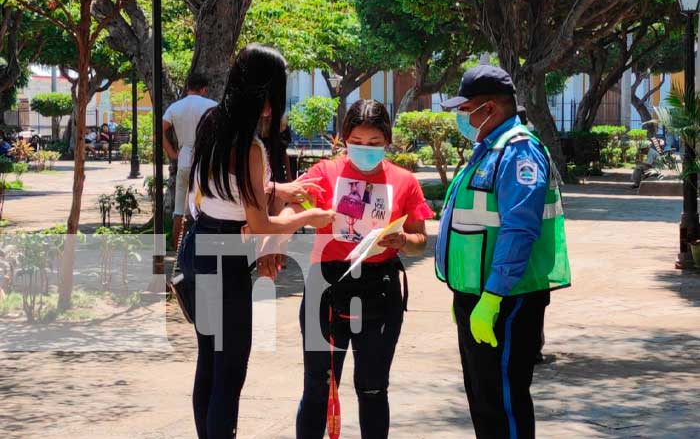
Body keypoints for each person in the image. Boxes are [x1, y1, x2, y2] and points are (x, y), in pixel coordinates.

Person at [178, 44, 336, 439]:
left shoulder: (213, 122)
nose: (275, 106)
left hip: (200, 248)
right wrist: (307, 217)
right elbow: (260, 224)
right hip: (225, 260)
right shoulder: (248, 147)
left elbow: (225, 192)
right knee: (230, 372)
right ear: (262, 96)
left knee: (210, 364)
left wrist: (281, 189)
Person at [436, 65, 571, 439]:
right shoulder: (489, 149)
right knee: (484, 400)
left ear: (490, 108)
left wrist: (492, 296)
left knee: (505, 403)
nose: (462, 118)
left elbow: (519, 229)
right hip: (477, 296)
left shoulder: (519, 151)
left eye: (466, 110)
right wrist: (464, 287)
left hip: (508, 299)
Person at [293, 99, 434, 439]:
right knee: (318, 386)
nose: (365, 150)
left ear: (388, 141)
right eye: (356, 142)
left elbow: (421, 240)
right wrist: (300, 219)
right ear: (343, 138)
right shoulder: (325, 173)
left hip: (378, 290)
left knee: (372, 388)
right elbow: (289, 204)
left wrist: (402, 240)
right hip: (326, 286)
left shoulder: (404, 180)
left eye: (374, 144)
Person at [163, 73, 218, 249]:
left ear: (187, 87)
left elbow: (160, 130)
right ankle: (200, 251)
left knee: (179, 209)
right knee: (207, 208)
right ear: (203, 89)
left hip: (184, 158)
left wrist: (171, 152)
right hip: (206, 161)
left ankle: (177, 253)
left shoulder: (175, 107)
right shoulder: (212, 107)